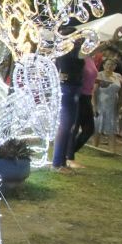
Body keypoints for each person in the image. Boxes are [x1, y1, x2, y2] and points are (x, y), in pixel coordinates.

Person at [52, 36, 84, 170]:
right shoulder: (65, 51)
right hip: (67, 88)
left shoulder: (72, 51)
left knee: (68, 127)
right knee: (64, 127)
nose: (80, 41)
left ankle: (62, 162)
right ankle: (57, 163)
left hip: (73, 88)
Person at [66, 54, 99, 164]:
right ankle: (69, 156)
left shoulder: (90, 58)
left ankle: (68, 152)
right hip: (79, 95)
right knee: (74, 127)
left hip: (87, 96)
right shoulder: (79, 57)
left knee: (89, 129)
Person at [94, 58, 122, 152]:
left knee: (112, 128)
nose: (109, 66)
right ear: (104, 65)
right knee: (98, 127)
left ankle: (112, 150)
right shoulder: (99, 75)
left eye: (111, 65)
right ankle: (95, 147)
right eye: (107, 64)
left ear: (115, 66)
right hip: (101, 103)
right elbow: (94, 92)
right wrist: (94, 105)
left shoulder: (118, 76)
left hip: (113, 104)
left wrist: (121, 104)